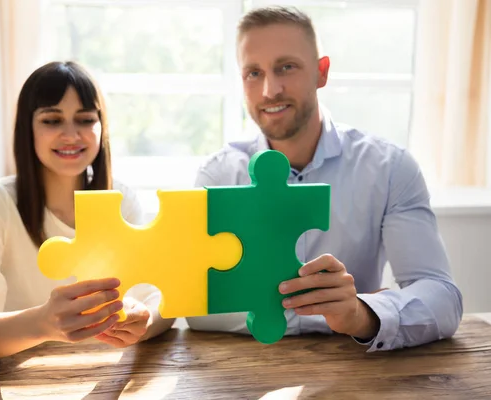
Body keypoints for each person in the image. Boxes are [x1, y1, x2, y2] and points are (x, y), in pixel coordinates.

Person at [186, 6, 463, 351]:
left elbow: (443, 297)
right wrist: (334, 313)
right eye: (253, 73)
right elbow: (197, 307)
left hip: (354, 375)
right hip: (242, 372)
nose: (270, 90)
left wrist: (362, 314)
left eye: (286, 67)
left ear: (321, 72)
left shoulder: (390, 168)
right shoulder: (218, 175)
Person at [0, 61, 174, 359]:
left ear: (101, 127)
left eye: (85, 119)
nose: (71, 135)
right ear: (28, 129)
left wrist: (146, 322)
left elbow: (162, 301)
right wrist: (43, 323)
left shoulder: (122, 199)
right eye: (52, 120)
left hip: (94, 370)